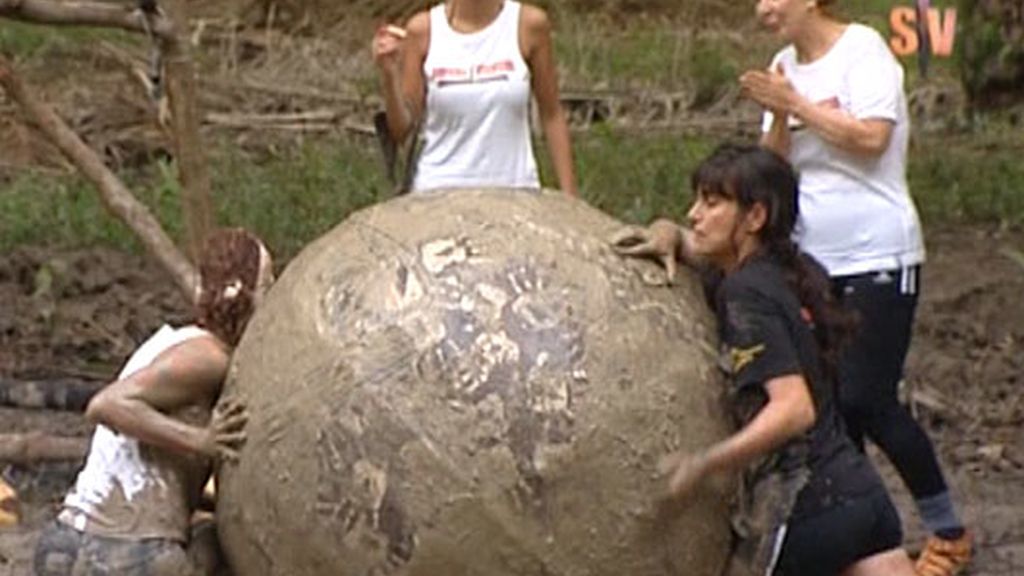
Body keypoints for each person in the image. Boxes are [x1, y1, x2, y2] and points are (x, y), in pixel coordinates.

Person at [738, 2, 970, 574]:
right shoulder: (782, 65)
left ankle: (948, 529)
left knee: (868, 396)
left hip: (878, 251)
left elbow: (870, 139)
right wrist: (776, 118)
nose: (763, 7)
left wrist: (796, 105)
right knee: (831, 408)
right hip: (813, 261)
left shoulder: (864, 50)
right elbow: (775, 171)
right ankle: (868, 538)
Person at [614, 144, 916, 576]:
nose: (694, 213)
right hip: (862, 496)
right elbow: (690, 241)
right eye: (697, 199)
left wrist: (705, 462)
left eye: (712, 202)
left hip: (804, 509)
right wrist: (667, 233)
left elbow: (793, 409)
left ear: (755, 217)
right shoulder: (794, 272)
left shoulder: (745, 294)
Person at [33, 228, 273, 576]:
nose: (273, 296)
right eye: (267, 284)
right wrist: (201, 440)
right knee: (224, 545)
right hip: (127, 553)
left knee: (215, 528)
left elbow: (162, 473)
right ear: (242, 294)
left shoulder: (175, 344)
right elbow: (106, 405)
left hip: (65, 544)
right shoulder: (210, 357)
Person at [371, 0, 578, 196]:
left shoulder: (529, 25)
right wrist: (390, 75)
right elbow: (403, 129)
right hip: (438, 194)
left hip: (514, 191)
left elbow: (551, 114)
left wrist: (570, 199)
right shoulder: (423, 30)